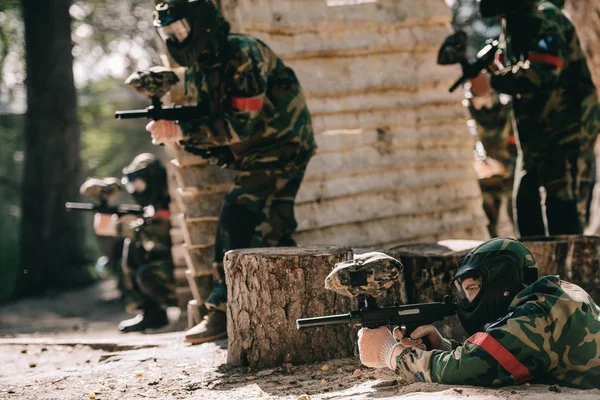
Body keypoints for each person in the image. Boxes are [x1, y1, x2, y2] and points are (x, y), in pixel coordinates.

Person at [144, 0, 316, 343]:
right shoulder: (203, 64)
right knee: (272, 231)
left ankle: (222, 312)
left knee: (237, 216)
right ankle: (300, 316)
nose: (174, 39)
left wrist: (180, 131)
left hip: (282, 145)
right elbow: (207, 113)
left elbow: (241, 123)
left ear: (200, 22)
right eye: (167, 33)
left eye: (179, 30)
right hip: (258, 152)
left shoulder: (242, 53)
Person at [357, 237, 600, 388]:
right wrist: (444, 347)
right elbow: (501, 354)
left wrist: (392, 353)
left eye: (472, 288)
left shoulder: (535, 316)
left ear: (500, 279)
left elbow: (469, 368)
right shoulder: (553, 295)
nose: (465, 301)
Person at [468, 0, 600, 236]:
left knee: (563, 212)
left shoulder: (544, 16)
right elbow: (513, 68)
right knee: (525, 207)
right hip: (534, 138)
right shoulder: (513, 23)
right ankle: (536, 270)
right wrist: (486, 72)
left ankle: (573, 272)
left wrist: (494, 81)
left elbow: (543, 72)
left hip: (567, 132)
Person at [444, 0, 517, 237]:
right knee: (493, 231)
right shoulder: (474, 108)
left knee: (519, 225)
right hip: (488, 180)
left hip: (510, 174)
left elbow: (516, 146)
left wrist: (504, 166)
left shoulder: (506, 108)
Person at [87, 153, 178, 333]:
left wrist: (120, 225)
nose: (137, 190)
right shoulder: (155, 205)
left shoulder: (171, 201)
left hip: (181, 276)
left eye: (140, 184)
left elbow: (157, 233)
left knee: (148, 275)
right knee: (133, 247)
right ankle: (151, 314)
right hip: (173, 267)